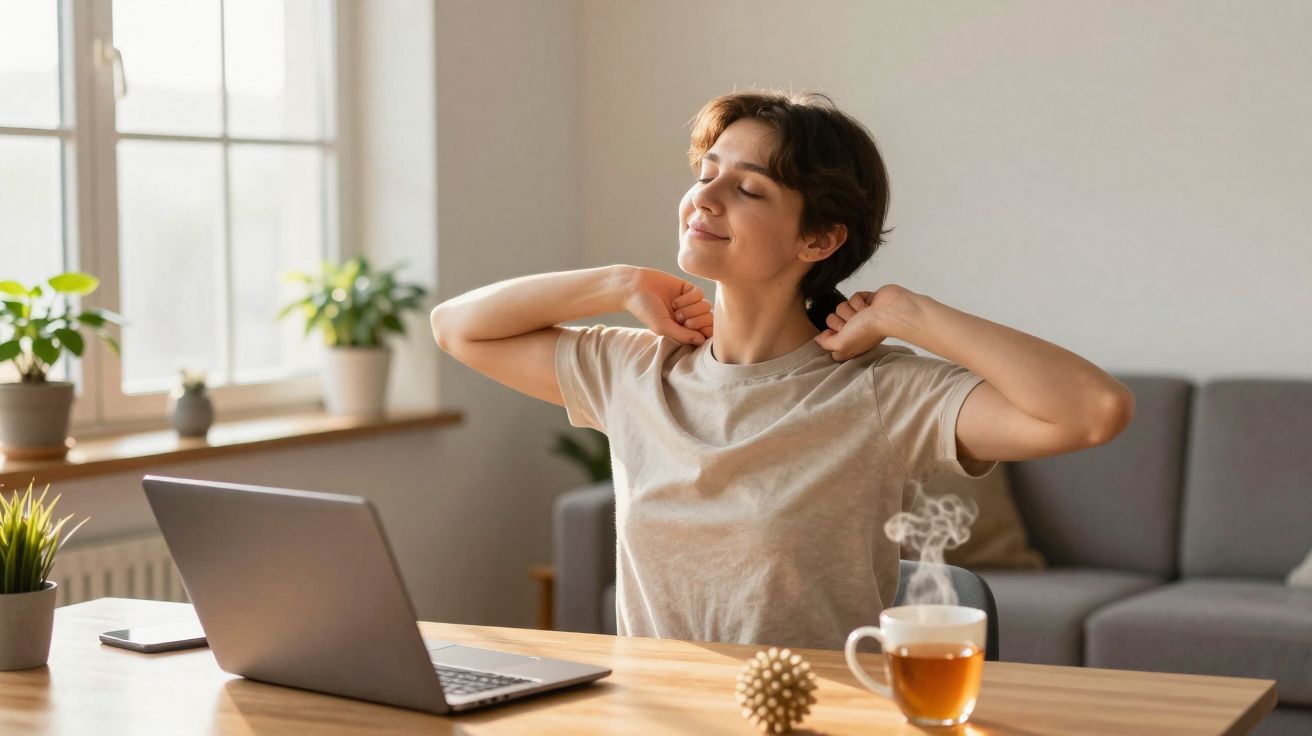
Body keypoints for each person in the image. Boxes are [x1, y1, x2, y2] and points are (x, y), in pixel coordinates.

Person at [430, 90, 1134, 650]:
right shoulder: (633, 373)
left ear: (820, 238)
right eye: (706, 174)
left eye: (749, 189)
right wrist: (615, 283)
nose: (704, 197)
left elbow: (1092, 410)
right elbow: (455, 327)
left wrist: (911, 315)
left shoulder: (880, 391)